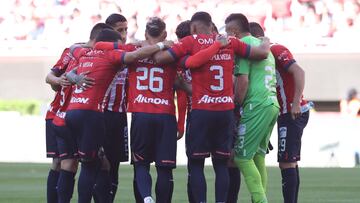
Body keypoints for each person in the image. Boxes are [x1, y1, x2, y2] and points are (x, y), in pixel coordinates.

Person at [153, 11, 270, 203]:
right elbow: (262, 53)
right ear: (211, 25)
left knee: (197, 164)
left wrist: (178, 57)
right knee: (221, 164)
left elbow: (162, 59)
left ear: (193, 28)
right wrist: (265, 40)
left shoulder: (190, 42)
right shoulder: (229, 42)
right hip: (225, 111)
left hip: (201, 110)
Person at [65, 28, 167, 203]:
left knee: (100, 162)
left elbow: (73, 48)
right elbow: (134, 56)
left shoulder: (84, 53)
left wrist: (74, 77)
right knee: (89, 165)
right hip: (91, 114)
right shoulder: (109, 55)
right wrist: (161, 45)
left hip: (72, 113)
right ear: (112, 44)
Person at [250, 21, 310, 203]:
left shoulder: (275, 50)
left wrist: (295, 103)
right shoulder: (260, 55)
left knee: (286, 162)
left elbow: (299, 72)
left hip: (292, 112)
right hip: (283, 112)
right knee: (290, 161)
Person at [225, 14, 279, 203]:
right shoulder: (263, 46)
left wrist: (236, 103)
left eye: (227, 32)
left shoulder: (245, 46)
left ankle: (260, 200)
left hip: (255, 105)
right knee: (257, 156)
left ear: (234, 32)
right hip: (272, 104)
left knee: (241, 158)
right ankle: (261, 197)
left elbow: (243, 80)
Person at [102, 13, 130, 202]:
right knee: (98, 162)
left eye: (126, 30)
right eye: (120, 30)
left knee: (115, 163)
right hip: (101, 114)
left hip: (120, 116)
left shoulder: (130, 54)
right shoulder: (101, 53)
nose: (124, 34)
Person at [44, 47, 72, 203]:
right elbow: (50, 77)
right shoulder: (73, 51)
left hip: (79, 116)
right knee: (59, 162)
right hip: (57, 114)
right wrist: (58, 81)